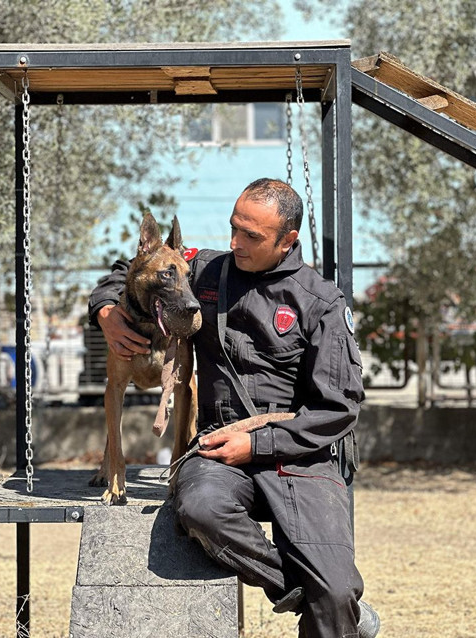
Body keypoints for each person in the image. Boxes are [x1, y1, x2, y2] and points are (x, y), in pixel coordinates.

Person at [88, 178, 379, 638]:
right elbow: (134, 266)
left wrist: (258, 442)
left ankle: (327, 597)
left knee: (340, 592)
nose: (234, 242)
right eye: (233, 229)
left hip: (299, 455)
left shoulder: (320, 302)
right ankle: (299, 588)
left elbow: (338, 408)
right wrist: (106, 310)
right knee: (199, 507)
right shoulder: (204, 270)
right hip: (221, 446)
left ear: (288, 241)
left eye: (251, 236)